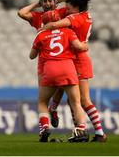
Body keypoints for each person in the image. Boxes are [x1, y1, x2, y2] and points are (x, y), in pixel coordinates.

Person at [39, 0, 107, 142]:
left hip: (79, 60)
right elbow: (64, 12)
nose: (66, 10)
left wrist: (47, 27)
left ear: (76, 8)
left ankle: (99, 133)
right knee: (71, 98)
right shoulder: (84, 14)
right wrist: (64, 0)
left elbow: (57, 23)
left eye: (69, 8)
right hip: (72, 59)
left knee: (83, 100)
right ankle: (79, 131)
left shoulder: (75, 18)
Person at [29, 10, 89, 142]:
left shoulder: (41, 35)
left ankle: (44, 127)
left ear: (44, 22)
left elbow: (31, 56)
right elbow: (78, 46)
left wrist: (41, 46)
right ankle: (81, 129)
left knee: (43, 101)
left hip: (50, 68)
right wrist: (85, 46)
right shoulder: (68, 32)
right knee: (76, 103)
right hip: (67, 67)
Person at [18, 0, 67, 128]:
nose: (47, 3)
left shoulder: (63, 12)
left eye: (49, 0)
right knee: (43, 95)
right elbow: (21, 13)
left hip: (62, 57)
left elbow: (78, 6)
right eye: (44, 1)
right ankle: (44, 127)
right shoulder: (38, 16)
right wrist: (37, 4)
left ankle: (53, 108)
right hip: (44, 60)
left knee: (62, 87)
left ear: (55, 1)